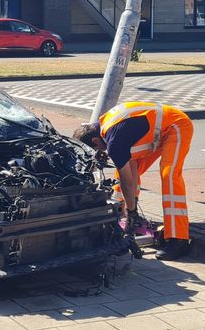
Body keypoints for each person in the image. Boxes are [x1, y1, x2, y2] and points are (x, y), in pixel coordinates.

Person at [74, 102, 194, 260]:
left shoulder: (115, 141)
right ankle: (119, 218)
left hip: (176, 125)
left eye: (95, 151)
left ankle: (178, 239)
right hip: (155, 132)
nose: (98, 154)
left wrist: (132, 211)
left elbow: (127, 183)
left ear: (96, 141)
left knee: (169, 175)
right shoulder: (102, 127)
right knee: (124, 169)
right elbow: (127, 174)